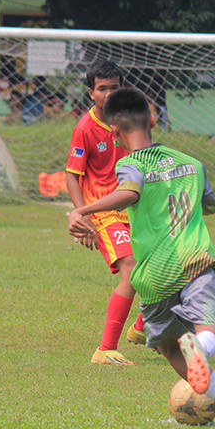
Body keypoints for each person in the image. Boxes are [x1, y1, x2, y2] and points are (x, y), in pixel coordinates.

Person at [68, 87, 215, 429]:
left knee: (170, 348)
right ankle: (202, 346)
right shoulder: (192, 163)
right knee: (211, 333)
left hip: (153, 274)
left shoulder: (128, 163)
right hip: (195, 261)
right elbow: (210, 205)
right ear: (153, 120)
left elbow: (130, 191)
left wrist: (81, 209)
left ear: (114, 132)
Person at [66, 60, 145, 366]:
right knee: (131, 268)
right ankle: (106, 349)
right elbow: (72, 174)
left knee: (167, 266)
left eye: (115, 87)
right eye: (102, 88)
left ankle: (141, 328)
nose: (109, 93)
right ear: (91, 93)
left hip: (137, 208)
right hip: (105, 213)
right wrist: (82, 215)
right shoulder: (85, 128)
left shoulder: (131, 120)